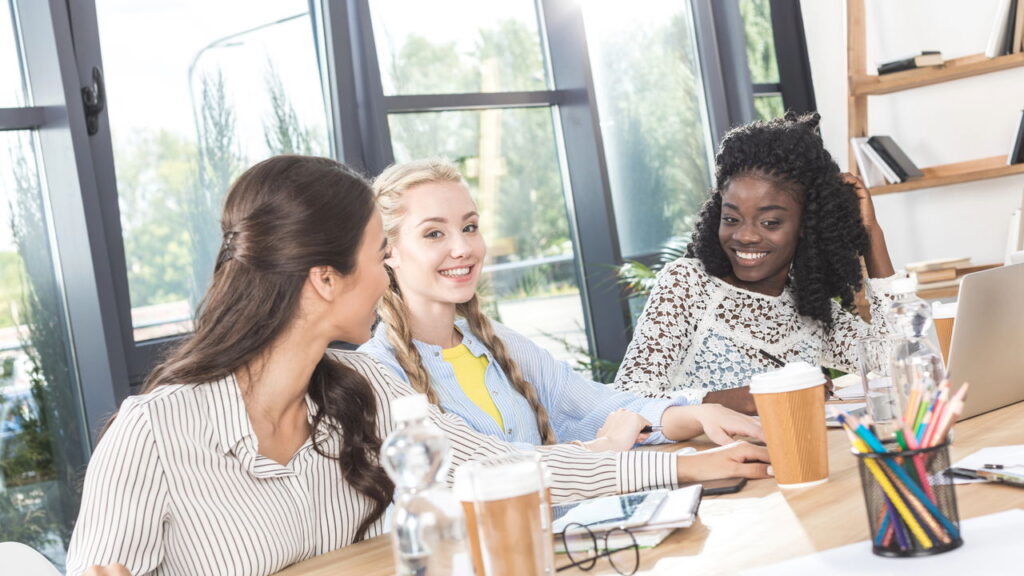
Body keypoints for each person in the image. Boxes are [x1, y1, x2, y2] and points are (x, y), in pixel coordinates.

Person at [68, 156, 770, 576]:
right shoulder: (154, 435)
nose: (386, 278)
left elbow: (502, 470)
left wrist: (685, 465)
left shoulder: (361, 393)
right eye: (380, 256)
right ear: (324, 280)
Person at [359, 158, 769, 454]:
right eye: (433, 234)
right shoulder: (375, 373)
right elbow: (484, 473)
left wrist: (699, 414)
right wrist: (607, 445)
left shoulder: (496, 343)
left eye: (470, 227)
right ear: (388, 251)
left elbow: (599, 407)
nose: (463, 248)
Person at [614, 112, 897, 414]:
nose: (745, 236)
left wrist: (870, 233)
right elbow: (627, 403)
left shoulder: (809, 307)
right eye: (731, 219)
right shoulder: (687, 284)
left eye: (770, 222)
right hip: (696, 460)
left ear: (806, 225)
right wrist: (741, 398)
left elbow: (895, 358)